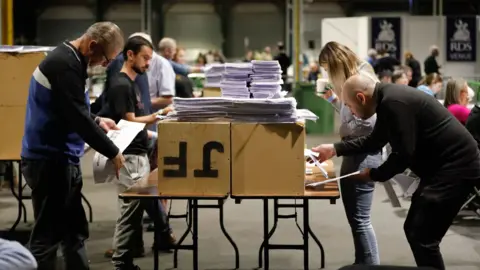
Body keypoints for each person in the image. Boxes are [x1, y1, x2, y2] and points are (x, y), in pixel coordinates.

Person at [312, 73, 480, 270]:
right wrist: (334, 149)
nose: (352, 112)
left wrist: (375, 174)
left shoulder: (392, 103)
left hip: (456, 167)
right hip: (443, 168)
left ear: (361, 98)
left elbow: (403, 154)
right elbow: (374, 140)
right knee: (415, 230)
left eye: (349, 106)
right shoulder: (387, 100)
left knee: (422, 235)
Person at [21, 22, 126, 270]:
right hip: (49, 161)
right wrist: (112, 152)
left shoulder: (72, 62)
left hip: (61, 159)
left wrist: (99, 120)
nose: (106, 65)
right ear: (92, 46)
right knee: (47, 238)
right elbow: (77, 118)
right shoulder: (64, 65)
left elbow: (71, 108)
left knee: (74, 231)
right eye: (106, 59)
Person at [103, 36, 173, 270]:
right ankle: (122, 260)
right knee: (130, 209)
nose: (148, 64)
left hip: (139, 153)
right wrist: (158, 116)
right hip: (130, 155)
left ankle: (133, 252)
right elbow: (129, 121)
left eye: (150, 59)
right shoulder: (121, 85)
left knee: (138, 207)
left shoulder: (133, 84)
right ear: (129, 55)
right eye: (144, 58)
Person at [317, 41, 381, 265]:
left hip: (361, 153)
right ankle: (363, 265)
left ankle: (370, 266)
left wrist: (336, 148)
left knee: (361, 221)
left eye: (327, 68)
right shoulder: (352, 81)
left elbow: (367, 123)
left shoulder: (362, 80)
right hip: (354, 151)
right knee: (358, 221)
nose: (326, 73)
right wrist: (335, 100)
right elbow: (351, 114)